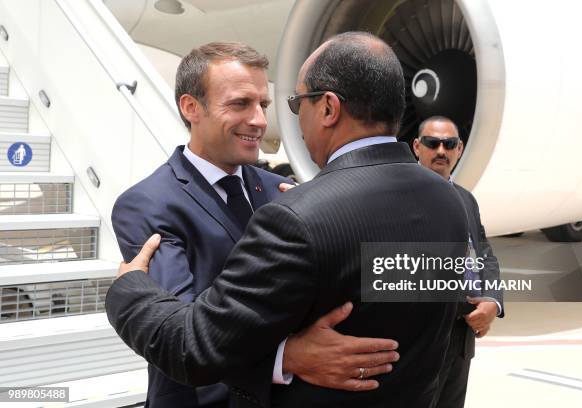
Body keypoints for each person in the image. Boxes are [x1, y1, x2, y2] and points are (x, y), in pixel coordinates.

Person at [106, 32, 469, 407]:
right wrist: (287, 357)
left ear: (328, 108)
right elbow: (183, 333)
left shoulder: (294, 199)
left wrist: (127, 289)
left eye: (264, 103)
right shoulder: (146, 203)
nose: (260, 120)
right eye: (241, 103)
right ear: (190, 107)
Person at [413, 115, 505, 408]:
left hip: (461, 340)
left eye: (449, 143)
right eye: (432, 143)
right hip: (420, 342)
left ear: (459, 148)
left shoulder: (466, 199)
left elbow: (485, 254)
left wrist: (492, 300)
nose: (441, 150)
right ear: (417, 147)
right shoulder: (400, 196)